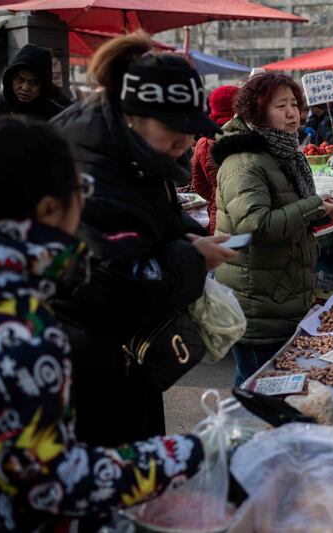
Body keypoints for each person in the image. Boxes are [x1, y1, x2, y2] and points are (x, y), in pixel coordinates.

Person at [0, 116, 205, 531]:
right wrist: (191, 453)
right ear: (49, 209)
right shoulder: (17, 331)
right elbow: (53, 481)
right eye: (81, 191)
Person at [50, 32, 237, 447]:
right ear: (133, 113)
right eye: (175, 130)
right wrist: (191, 260)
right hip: (84, 366)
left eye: (192, 131)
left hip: (124, 357)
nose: (187, 142)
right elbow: (105, 284)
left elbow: (154, 218)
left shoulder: (133, 149)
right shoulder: (88, 166)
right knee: (113, 473)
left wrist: (190, 238)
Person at [211, 72, 333, 386]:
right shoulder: (244, 162)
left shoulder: (284, 155)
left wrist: (319, 209)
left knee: (269, 384)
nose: (291, 113)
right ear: (257, 112)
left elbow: (286, 214)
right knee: (257, 386)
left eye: (295, 105)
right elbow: (256, 226)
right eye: (280, 106)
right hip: (258, 302)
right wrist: (313, 206)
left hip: (278, 294)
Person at [191, 85, 240, 234]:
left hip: (219, 217)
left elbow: (199, 184)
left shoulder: (204, 142)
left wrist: (215, 194)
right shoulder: (249, 134)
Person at [0, 44, 64, 124]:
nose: (25, 88)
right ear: (11, 79)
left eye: (34, 83)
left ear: (43, 85)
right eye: (20, 79)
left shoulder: (57, 116)